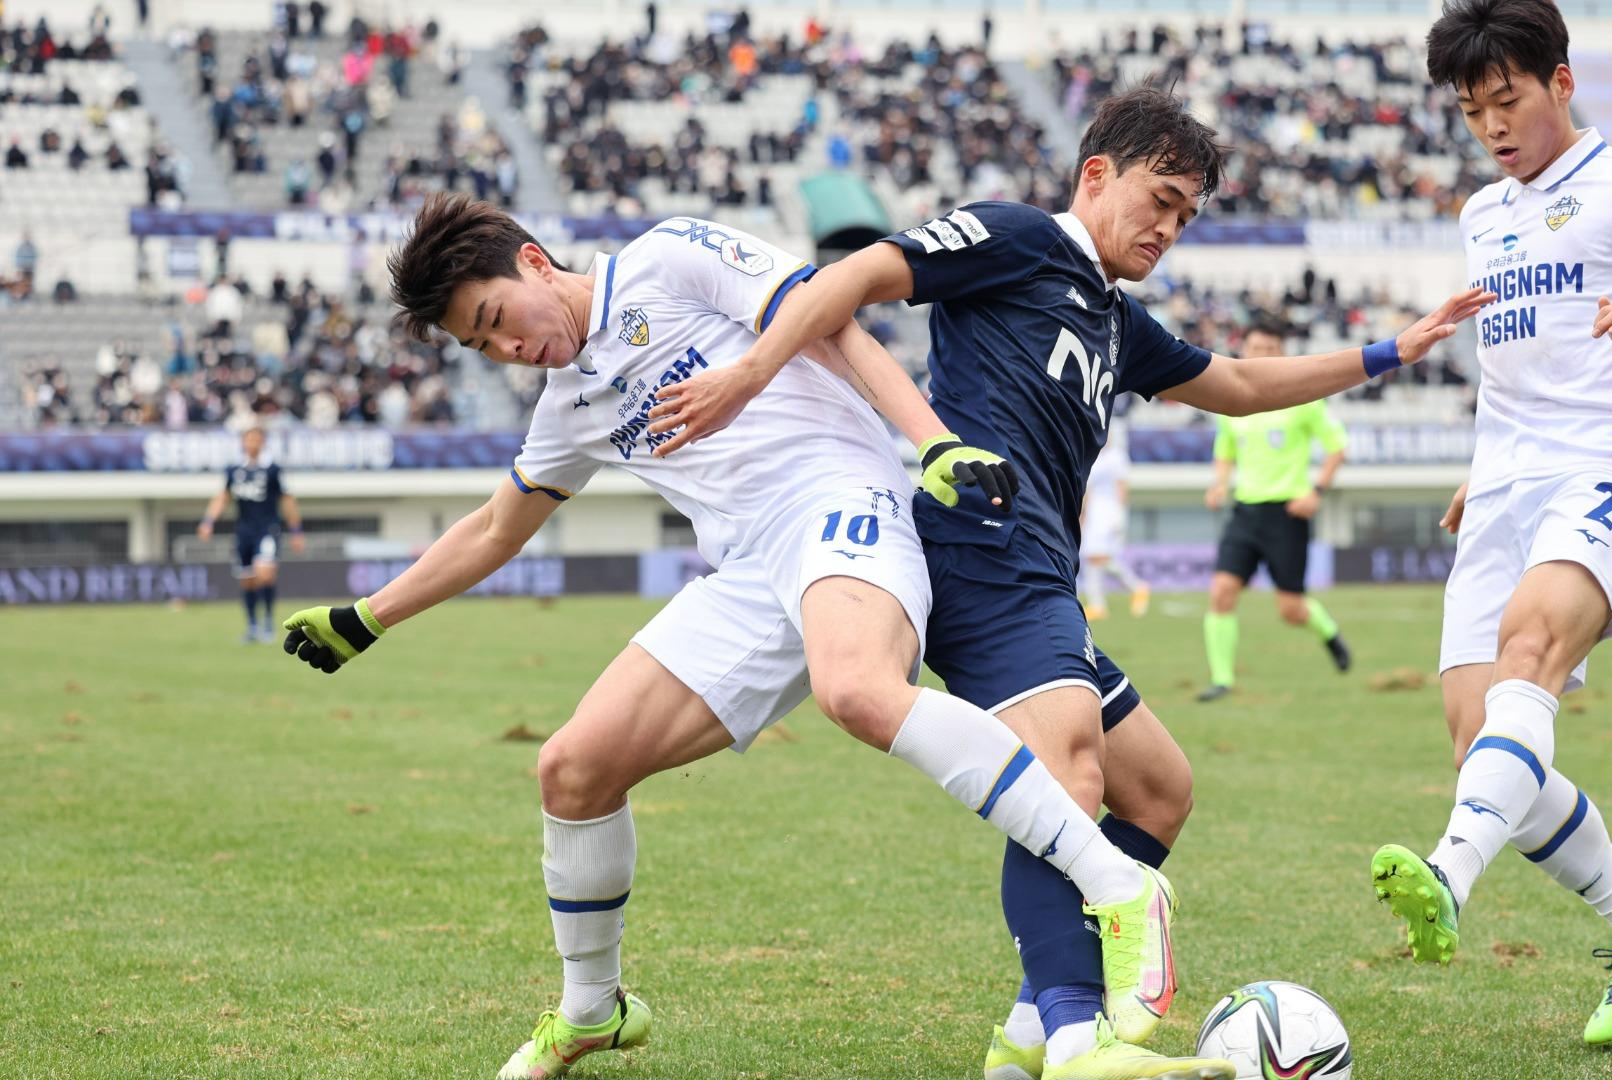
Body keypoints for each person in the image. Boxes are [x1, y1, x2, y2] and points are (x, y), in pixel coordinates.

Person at [645, 86, 1490, 1079]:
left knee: (1159, 791)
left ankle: (1025, 1036)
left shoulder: (1113, 318)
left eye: (1185, 214)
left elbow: (1241, 389)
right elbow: (855, 280)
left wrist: (1393, 350)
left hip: (1041, 574)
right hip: (977, 554)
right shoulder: (1015, 238)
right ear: (1097, 174)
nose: (1169, 226)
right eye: (1159, 198)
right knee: (1069, 780)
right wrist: (748, 377)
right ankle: (1080, 1035)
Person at [278, 193, 1177, 1080]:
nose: (508, 349)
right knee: (572, 769)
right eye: (483, 346)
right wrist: (367, 617)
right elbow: (492, 531)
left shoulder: (667, 259)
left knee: (858, 691)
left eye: (496, 319)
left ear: (532, 264)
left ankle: (1116, 881)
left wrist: (932, 442)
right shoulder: (567, 409)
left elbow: (832, 324)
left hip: (842, 500)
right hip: (750, 573)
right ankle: (594, 1010)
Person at [1368, 0, 1612, 1047]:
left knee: (1526, 654)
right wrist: (1476, 468)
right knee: (1479, 741)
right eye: (1472, 110)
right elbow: (1510, 361)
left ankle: (1448, 877)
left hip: (1602, 465)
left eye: (1509, 100)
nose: (1493, 125)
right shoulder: (1481, 214)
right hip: (1502, 483)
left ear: (1561, 82)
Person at [1197, 320, 1352, 702]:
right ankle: (1222, 681)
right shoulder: (1231, 403)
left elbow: (1337, 446)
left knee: (1291, 610)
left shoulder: (1304, 400)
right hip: (1246, 511)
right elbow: (1225, 452)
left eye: (1269, 348)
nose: (1262, 355)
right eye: (1255, 348)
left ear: (1280, 352)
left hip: (1288, 513)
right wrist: (1219, 484)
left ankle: (1330, 635)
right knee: (1221, 592)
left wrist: (1316, 491)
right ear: (1243, 350)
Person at [198, 426, 305, 642]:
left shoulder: (273, 470)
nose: (252, 443)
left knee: (264, 573)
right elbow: (223, 496)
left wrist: (296, 531)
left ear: (263, 442)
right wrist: (208, 521)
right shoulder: (235, 470)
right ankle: (252, 626)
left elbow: (287, 499)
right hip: (244, 531)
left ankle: (268, 623)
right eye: (249, 439)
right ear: (243, 443)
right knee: (247, 580)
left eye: (257, 439)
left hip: (267, 529)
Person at [1078, 394, 1150, 621]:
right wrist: (1083, 515)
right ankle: (1100, 603)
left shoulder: (1116, 457)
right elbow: (1087, 490)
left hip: (1109, 510)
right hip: (1095, 510)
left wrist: (1119, 514)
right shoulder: (1092, 457)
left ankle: (1135, 587)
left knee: (1097, 556)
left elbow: (1121, 487)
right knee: (1092, 556)